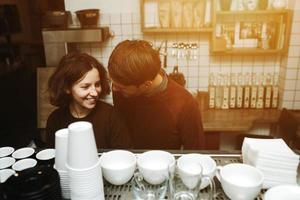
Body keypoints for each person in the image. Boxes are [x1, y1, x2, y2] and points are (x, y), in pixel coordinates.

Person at [108, 40, 205, 149]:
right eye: (113, 83)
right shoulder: (122, 88)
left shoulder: (185, 103)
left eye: (121, 87)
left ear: (146, 85)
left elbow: (195, 151)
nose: (114, 89)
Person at [45, 53, 132, 148]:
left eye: (97, 84)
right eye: (85, 87)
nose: (95, 93)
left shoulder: (112, 117)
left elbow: (123, 156)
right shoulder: (55, 120)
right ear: (67, 87)